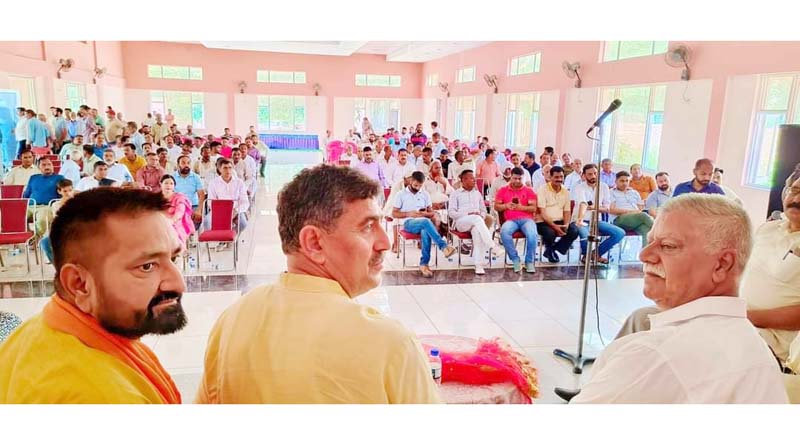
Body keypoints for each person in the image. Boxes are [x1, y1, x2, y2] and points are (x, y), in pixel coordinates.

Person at [196, 165, 439, 404]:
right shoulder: (391, 345)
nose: (385, 242)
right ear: (314, 243)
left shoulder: (232, 320)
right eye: (366, 227)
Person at [571, 194, 788, 403]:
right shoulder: (756, 349)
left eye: (668, 246)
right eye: (650, 242)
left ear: (722, 265)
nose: (644, 255)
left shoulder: (655, 356)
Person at [0, 188, 186, 403]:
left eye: (174, 257)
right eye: (146, 266)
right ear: (79, 284)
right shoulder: (101, 397)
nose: (179, 284)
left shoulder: (38, 329)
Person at [744, 176, 800, 369]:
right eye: (795, 190)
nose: (797, 199)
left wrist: (745, 316)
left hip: (769, 343)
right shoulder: (767, 229)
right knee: (649, 318)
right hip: (734, 320)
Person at [392, 171, 457, 278]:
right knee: (426, 222)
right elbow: (394, 213)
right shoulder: (401, 194)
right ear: (410, 181)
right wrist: (409, 213)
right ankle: (443, 247)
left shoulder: (425, 194)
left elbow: (431, 213)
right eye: (415, 185)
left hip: (423, 222)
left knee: (425, 230)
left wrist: (424, 213)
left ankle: (424, 264)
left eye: (420, 186)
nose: (417, 188)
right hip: (408, 223)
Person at [449, 170, 501, 275]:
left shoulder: (477, 194)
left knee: (477, 231)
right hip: (461, 222)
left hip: (476, 223)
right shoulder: (455, 194)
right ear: (463, 180)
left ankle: (479, 265)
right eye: (472, 178)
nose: (474, 180)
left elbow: (483, 211)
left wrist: (480, 215)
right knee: (476, 219)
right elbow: (451, 213)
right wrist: (468, 214)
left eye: (474, 178)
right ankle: (492, 246)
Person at [572, 164, 625, 265]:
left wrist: (592, 207)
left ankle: (595, 254)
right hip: (581, 219)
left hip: (597, 220)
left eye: (595, 173)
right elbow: (582, 204)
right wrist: (582, 217)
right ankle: (586, 255)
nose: (593, 176)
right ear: (584, 175)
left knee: (619, 232)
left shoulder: (604, 187)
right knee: (585, 234)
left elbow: (607, 208)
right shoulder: (579, 187)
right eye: (590, 174)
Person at [495, 167, 539, 273]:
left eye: (520, 179)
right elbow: (496, 207)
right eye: (515, 178)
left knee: (532, 234)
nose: (517, 181)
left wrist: (521, 208)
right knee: (504, 232)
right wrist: (506, 206)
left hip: (527, 219)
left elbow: (533, 208)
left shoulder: (529, 191)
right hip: (510, 220)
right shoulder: (503, 190)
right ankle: (515, 260)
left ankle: (529, 262)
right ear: (511, 177)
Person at [536, 166, 579, 264]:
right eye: (556, 177)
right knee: (550, 233)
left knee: (574, 231)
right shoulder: (542, 190)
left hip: (560, 220)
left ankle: (551, 250)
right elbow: (542, 212)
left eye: (561, 177)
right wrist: (555, 227)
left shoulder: (566, 192)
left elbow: (567, 211)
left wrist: (566, 225)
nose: (559, 179)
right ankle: (550, 250)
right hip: (543, 221)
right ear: (550, 177)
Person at [207, 158, 249, 237]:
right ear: (219, 169)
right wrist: (221, 212)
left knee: (243, 224)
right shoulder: (213, 183)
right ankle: (220, 238)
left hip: (236, 210)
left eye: (230, 168)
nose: (228, 170)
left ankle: (231, 236)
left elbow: (245, 201)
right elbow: (210, 201)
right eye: (225, 168)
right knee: (207, 222)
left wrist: (235, 211)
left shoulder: (239, 182)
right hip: (219, 211)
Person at [23, 157, 65, 237]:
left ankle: (34, 238)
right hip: (30, 206)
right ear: (39, 167)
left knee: (42, 221)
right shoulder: (33, 177)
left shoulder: (59, 178)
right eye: (44, 165)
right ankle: (28, 236)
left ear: (53, 166)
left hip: (46, 206)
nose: (47, 167)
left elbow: (64, 193)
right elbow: (26, 194)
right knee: (17, 216)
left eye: (49, 164)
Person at [609, 171, 654, 245]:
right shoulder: (612, 192)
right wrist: (631, 212)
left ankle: (646, 256)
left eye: (627, 181)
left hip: (636, 220)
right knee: (643, 215)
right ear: (616, 181)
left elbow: (640, 208)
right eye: (622, 181)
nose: (625, 183)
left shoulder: (634, 192)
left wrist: (637, 212)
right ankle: (663, 231)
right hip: (619, 220)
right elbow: (611, 210)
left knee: (647, 231)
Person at [39, 178, 74, 263]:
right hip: (62, 231)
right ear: (59, 192)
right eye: (65, 191)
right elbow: (58, 221)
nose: (68, 193)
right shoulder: (56, 205)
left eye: (70, 190)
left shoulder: (78, 202)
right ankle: (59, 267)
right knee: (45, 242)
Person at [160, 174, 195, 246]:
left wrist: (171, 221)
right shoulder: (156, 197)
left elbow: (180, 212)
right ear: (161, 184)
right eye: (166, 183)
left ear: (174, 186)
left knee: (174, 229)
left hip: (176, 221)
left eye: (171, 183)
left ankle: (178, 252)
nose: (168, 185)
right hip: (160, 222)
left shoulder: (179, 197)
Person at [173, 155, 206, 230]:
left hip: (193, 206)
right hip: (178, 205)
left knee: (197, 218)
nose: (186, 165)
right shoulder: (172, 176)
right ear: (178, 165)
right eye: (183, 163)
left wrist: (199, 210)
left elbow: (201, 195)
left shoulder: (196, 177)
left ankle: (190, 237)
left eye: (188, 163)